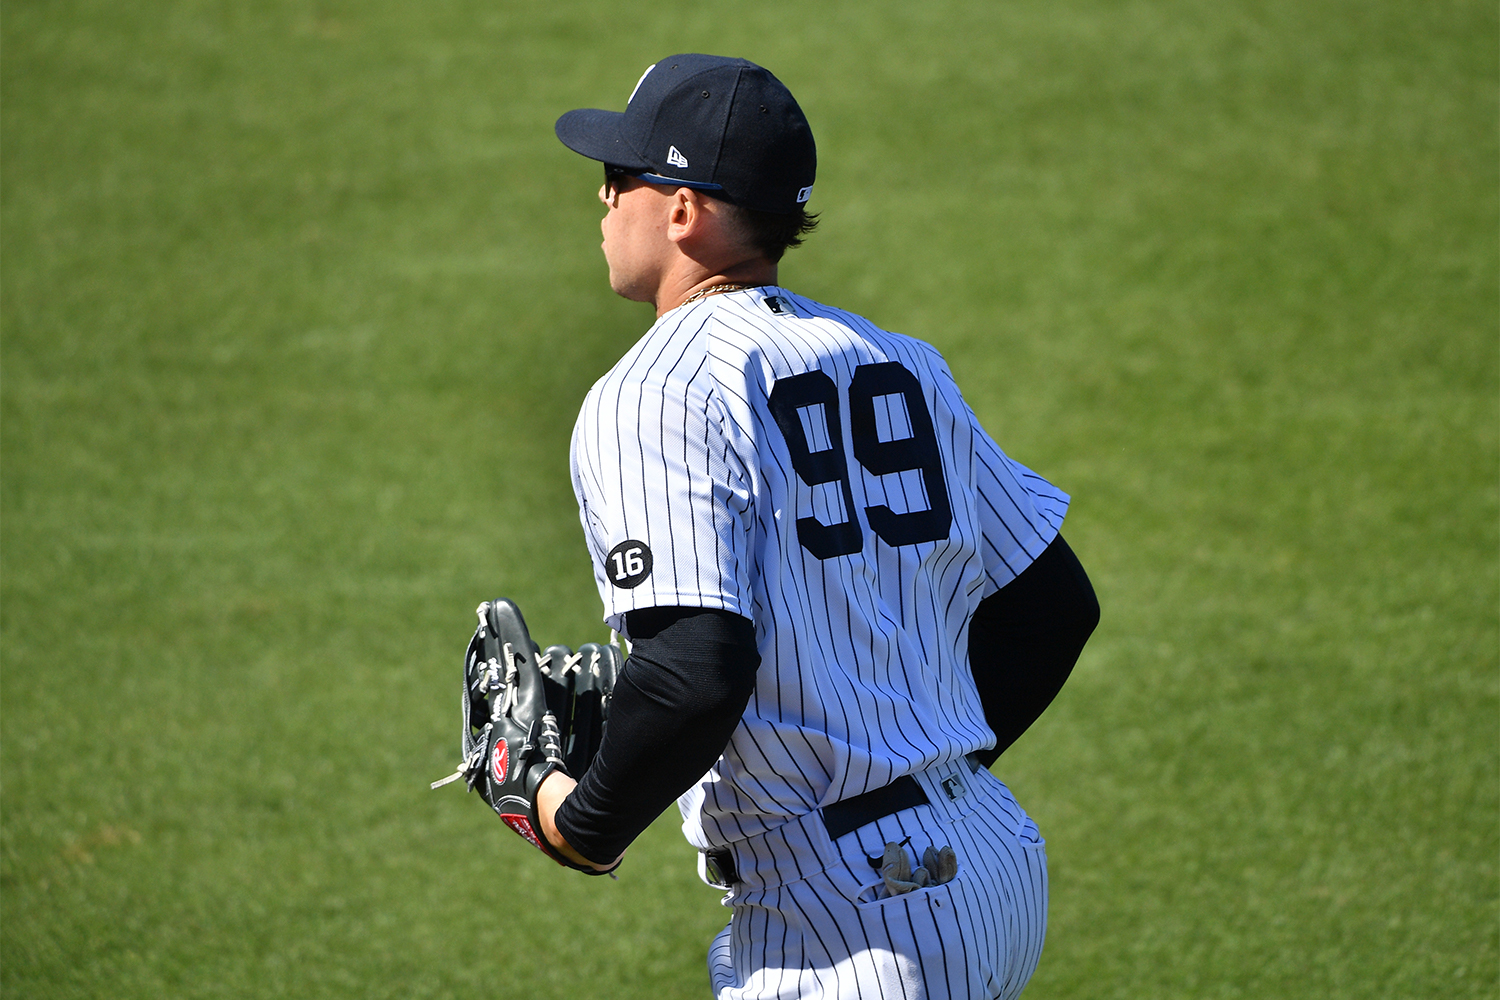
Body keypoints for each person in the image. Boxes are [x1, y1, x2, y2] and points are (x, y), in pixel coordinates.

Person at [535, 54, 1099, 1000]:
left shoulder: (652, 391)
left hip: (855, 923)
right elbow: (1051, 608)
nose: (601, 198)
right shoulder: (899, 360)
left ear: (683, 207)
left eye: (619, 177)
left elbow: (692, 675)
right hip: (987, 863)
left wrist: (571, 819)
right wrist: (917, 769)